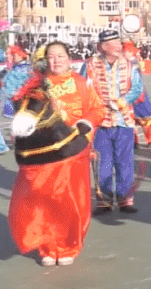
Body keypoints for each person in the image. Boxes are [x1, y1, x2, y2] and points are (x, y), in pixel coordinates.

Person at [8, 41, 106, 267]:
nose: (57, 60)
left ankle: (68, 245)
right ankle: (48, 248)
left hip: (73, 151)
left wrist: (86, 124)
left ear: (69, 58)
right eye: (52, 57)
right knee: (42, 200)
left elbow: (97, 109)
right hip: (44, 154)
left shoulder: (81, 84)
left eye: (61, 55)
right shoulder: (37, 86)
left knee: (71, 200)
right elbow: (22, 111)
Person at [81, 29, 143, 214]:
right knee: (103, 161)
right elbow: (83, 88)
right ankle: (104, 200)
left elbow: (137, 87)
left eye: (118, 42)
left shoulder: (130, 64)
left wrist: (123, 101)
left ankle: (125, 199)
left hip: (123, 121)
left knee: (125, 162)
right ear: (103, 47)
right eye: (113, 43)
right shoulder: (90, 65)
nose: (118, 46)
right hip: (100, 122)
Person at [1, 46, 32, 118]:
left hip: (19, 99)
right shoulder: (17, 67)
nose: (12, 57)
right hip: (12, 99)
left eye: (14, 55)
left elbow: (26, 82)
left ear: (20, 55)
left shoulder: (25, 68)